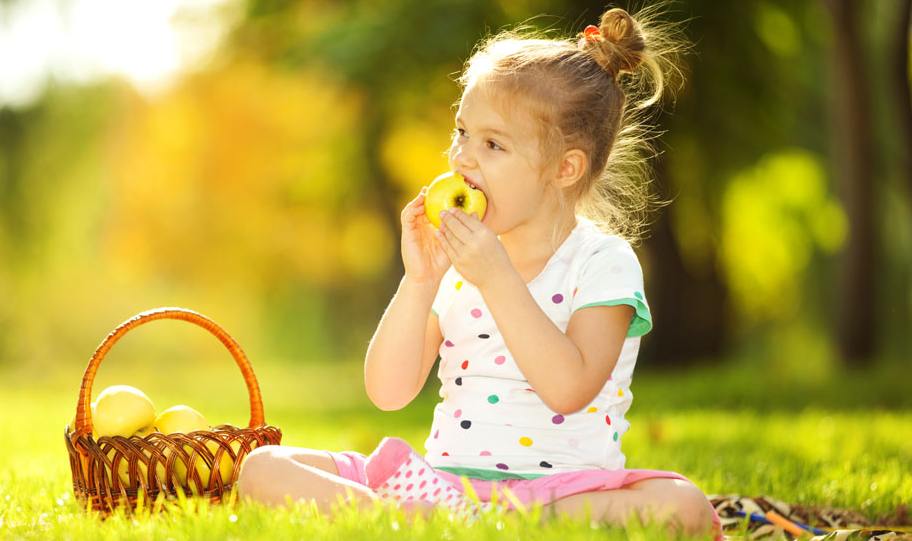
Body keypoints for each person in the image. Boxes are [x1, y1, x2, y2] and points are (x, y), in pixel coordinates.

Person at [238, 5, 720, 538]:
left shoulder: (602, 262)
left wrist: (497, 278)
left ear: (565, 168)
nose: (463, 156)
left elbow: (569, 388)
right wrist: (419, 281)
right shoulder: (454, 265)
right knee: (264, 467)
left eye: (492, 144)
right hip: (440, 486)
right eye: (462, 131)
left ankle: (475, 525)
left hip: (562, 494)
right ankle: (431, 520)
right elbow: (388, 392)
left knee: (682, 506)